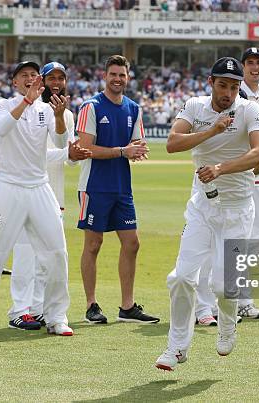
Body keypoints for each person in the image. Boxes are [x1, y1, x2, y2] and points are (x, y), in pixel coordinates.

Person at [155, 57, 259, 371]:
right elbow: (172, 143)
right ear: (211, 83)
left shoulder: (250, 110)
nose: (228, 92)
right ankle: (176, 348)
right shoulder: (194, 107)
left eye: (234, 86)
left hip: (237, 210)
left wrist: (219, 168)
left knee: (223, 286)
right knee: (180, 278)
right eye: (223, 85)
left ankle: (228, 325)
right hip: (202, 208)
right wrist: (211, 131)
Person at [0, 61, 73, 336]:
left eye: (34, 76)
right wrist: (26, 100)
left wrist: (59, 116)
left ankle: (56, 316)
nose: (31, 79)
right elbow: (0, 129)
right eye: (24, 76)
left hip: (39, 187)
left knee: (57, 252)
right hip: (8, 186)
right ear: (14, 82)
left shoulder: (47, 110)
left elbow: (60, 144)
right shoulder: (5, 105)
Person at [76, 55, 159, 325]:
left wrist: (138, 150)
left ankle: (127, 306)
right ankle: (91, 305)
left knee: (132, 243)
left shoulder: (133, 108)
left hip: (122, 187)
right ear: (105, 76)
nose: (117, 79)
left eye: (122, 75)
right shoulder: (91, 107)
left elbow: (137, 141)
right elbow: (86, 148)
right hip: (94, 186)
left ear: (128, 77)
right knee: (93, 244)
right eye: (113, 74)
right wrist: (124, 151)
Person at [8, 62, 91, 329]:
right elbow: (34, 158)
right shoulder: (28, 110)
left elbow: (70, 160)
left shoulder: (65, 114)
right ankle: (19, 311)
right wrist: (68, 153)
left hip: (53, 195)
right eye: (51, 78)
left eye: (61, 78)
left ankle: (39, 308)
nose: (56, 83)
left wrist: (74, 154)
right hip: (25, 190)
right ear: (41, 81)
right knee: (25, 256)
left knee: (49, 257)